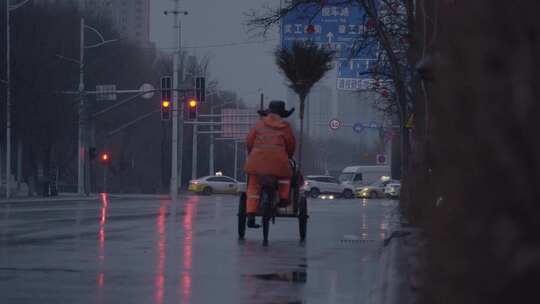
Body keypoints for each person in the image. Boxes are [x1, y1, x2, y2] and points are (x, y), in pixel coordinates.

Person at [244, 100, 296, 228]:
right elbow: (291, 145)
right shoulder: (285, 126)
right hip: (279, 162)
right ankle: (284, 199)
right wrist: (288, 155)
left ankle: (250, 214)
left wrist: (252, 153)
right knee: (285, 175)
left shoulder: (259, 125)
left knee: (253, 186)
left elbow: (249, 141)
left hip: (257, 162)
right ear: (282, 114)